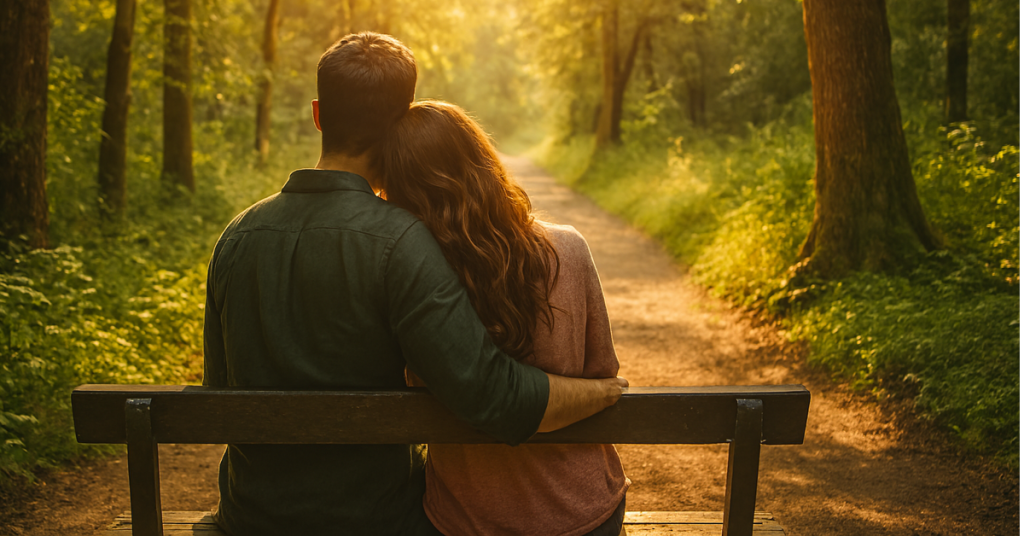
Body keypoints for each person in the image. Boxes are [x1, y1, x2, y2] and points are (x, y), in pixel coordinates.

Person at [202, 32, 627, 536]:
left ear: (318, 115)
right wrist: (602, 391)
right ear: (397, 129)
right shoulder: (401, 240)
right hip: (377, 520)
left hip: (249, 516)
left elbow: (218, 390)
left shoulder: (236, 235)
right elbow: (491, 394)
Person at [380, 100, 629, 536]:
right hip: (585, 512)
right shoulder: (567, 249)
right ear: (481, 161)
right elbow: (602, 373)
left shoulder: (415, 276)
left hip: (465, 519)